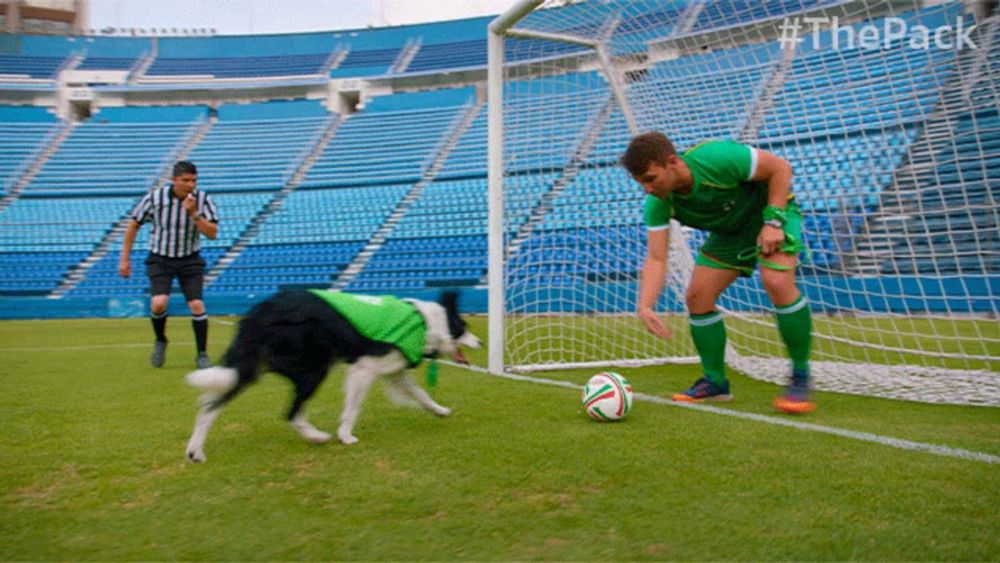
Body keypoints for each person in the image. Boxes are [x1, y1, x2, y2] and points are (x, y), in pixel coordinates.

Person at [621, 132, 815, 414]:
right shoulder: (659, 203)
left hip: (771, 213)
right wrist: (645, 305)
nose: (648, 189)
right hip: (731, 233)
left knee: (776, 280)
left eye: (651, 179)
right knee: (698, 298)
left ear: (672, 162)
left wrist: (773, 221)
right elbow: (655, 257)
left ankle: (800, 376)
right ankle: (715, 383)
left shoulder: (716, 158)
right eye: (641, 184)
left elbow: (780, 168)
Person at [119, 161, 219, 369]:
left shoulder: (202, 200)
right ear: (174, 180)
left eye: (194, 180)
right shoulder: (155, 198)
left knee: (197, 305)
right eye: (186, 180)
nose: (191, 185)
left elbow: (212, 233)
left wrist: (194, 213)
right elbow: (133, 225)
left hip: (190, 259)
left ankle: (202, 354)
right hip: (161, 258)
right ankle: (161, 339)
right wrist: (124, 258)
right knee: (158, 303)